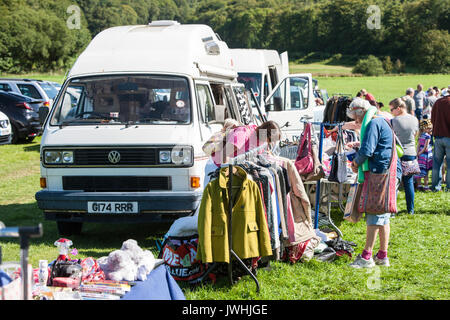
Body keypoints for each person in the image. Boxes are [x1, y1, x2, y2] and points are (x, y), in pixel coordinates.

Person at [347, 98, 401, 268]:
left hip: (379, 173)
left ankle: (366, 256)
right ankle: (382, 256)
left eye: (356, 118)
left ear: (361, 113)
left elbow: (367, 150)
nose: (356, 122)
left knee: (374, 212)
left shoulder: (373, 124)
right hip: (389, 171)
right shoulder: (383, 120)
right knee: (384, 216)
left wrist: (355, 163)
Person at [391, 98, 419, 214]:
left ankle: (392, 209)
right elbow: (415, 134)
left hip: (398, 152)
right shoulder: (414, 119)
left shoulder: (394, 121)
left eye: (392, 109)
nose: (391, 112)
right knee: (409, 182)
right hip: (411, 153)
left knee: (395, 182)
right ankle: (410, 209)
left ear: (399, 108)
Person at [430, 95, 450, 192]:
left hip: (438, 137)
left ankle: (435, 187)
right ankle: (449, 187)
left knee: (437, 163)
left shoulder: (438, 102)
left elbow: (432, 119)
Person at [416, 120, 433, 191]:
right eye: (428, 128)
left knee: (419, 170)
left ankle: (419, 185)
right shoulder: (428, 136)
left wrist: (417, 153)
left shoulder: (421, 135)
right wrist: (420, 153)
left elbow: (418, 145)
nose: (430, 129)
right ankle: (426, 186)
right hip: (426, 155)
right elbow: (426, 147)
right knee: (426, 171)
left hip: (420, 155)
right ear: (424, 128)